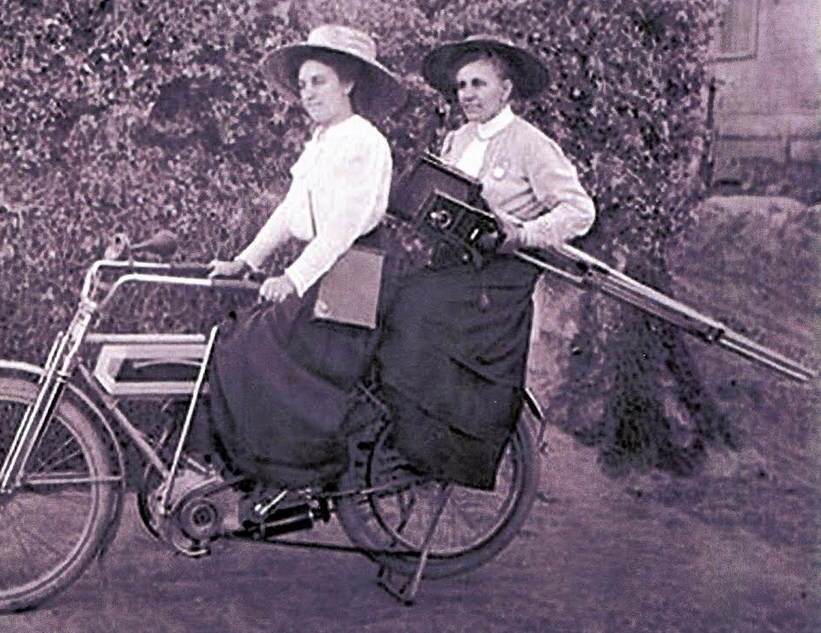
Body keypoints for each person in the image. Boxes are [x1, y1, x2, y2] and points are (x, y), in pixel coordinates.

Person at [376, 35, 596, 489]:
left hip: (498, 279)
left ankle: (436, 455)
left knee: (412, 312)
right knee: (386, 300)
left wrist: (526, 233)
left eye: (479, 84)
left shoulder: (530, 144)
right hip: (454, 267)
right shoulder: (456, 139)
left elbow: (580, 210)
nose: (468, 95)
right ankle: (399, 440)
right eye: (461, 86)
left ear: (506, 91)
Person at [206, 25, 407, 487]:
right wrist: (245, 261)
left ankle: (304, 472)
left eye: (319, 81)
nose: (308, 93)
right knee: (243, 337)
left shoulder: (363, 140)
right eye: (302, 85)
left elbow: (342, 227)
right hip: (332, 266)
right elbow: (291, 209)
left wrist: (293, 280)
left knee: (263, 345)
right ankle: (262, 472)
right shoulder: (321, 141)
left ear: (348, 82)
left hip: (357, 273)